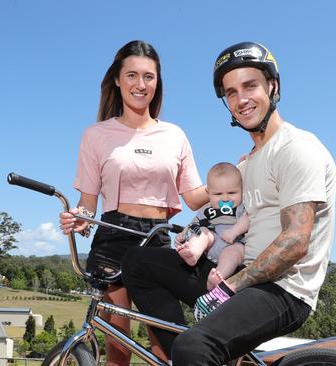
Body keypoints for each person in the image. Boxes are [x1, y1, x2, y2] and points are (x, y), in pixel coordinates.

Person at [121, 41, 336, 365]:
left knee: (195, 348)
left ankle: (195, 349)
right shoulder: (246, 165)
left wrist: (228, 288)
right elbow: (215, 209)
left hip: (283, 289)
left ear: (273, 86)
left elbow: (295, 242)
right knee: (138, 263)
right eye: (231, 92)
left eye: (250, 86)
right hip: (238, 271)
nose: (241, 100)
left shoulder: (297, 149)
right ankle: (186, 352)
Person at [59, 40, 208, 366]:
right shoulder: (96, 135)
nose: (141, 85)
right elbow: (88, 205)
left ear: (158, 82)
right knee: (119, 348)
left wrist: (233, 186)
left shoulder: (175, 135)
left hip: (157, 239)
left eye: (149, 77)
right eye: (132, 75)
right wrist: (78, 218)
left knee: (165, 345)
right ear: (117, 79)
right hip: (112, 238)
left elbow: (195, 196)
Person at [175, 162, 249, 290]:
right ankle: (193, 253)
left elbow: (248, 219)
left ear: (242, 190)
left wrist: (234, 231)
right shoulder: (207, 210)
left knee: (236, 252)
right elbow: (194, 224)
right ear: (208, 193)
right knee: (203, 232)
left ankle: (217, 278)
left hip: (233, 243)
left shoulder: (242, 207)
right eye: (218, 194)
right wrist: (183, 234)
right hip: (212, 242)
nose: (225, 198)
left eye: (232, 192)